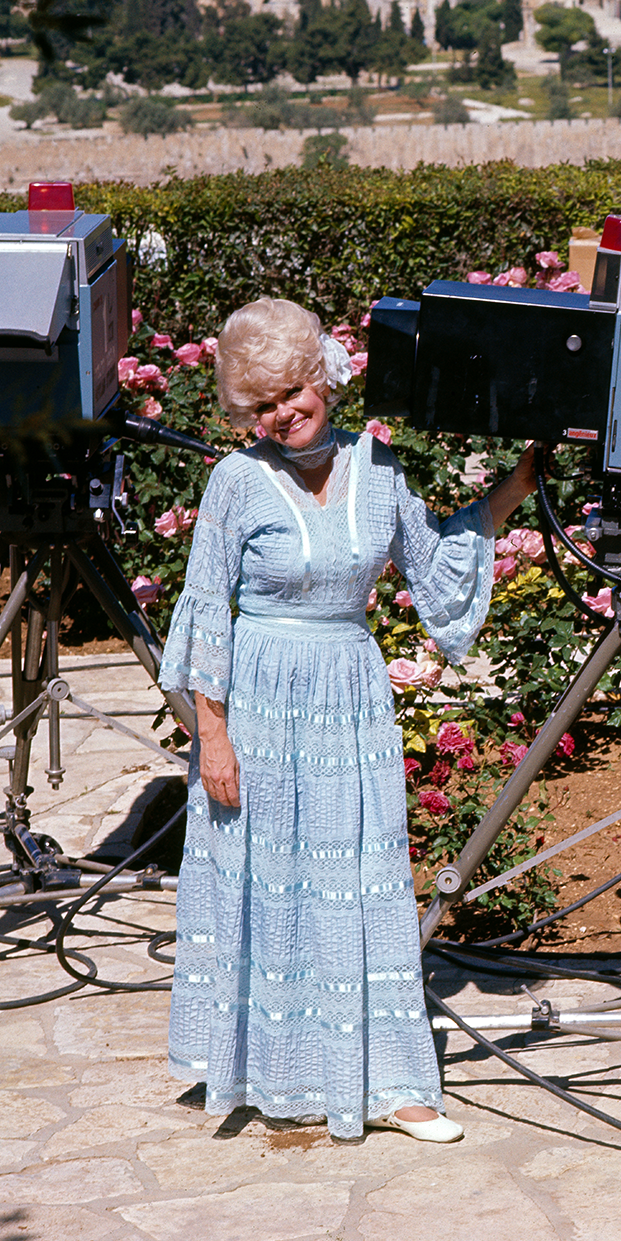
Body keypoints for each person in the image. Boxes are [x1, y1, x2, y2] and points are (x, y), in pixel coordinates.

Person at [158, 297, 537, 1143]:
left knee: (360, 883)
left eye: (293, 391)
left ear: (321, 379)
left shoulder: (380, 468)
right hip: (256, 701)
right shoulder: (234, 481)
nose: (282, 414)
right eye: (261, 405)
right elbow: (203, 614)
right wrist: (210, 735)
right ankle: (264, 1066)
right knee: (260, 878)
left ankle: (395, 1084)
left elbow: (437, 564)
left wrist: (518, 486)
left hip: (348, 697)